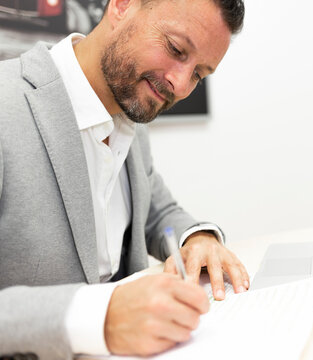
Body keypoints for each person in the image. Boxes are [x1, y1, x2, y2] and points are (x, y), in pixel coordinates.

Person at [0, 0, 247, 358]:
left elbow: (158, 214)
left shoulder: (130, 110)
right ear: (122, 5)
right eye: (176, 49)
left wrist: (198, 237)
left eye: (198, 75)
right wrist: (98, 317)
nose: (180, 85)